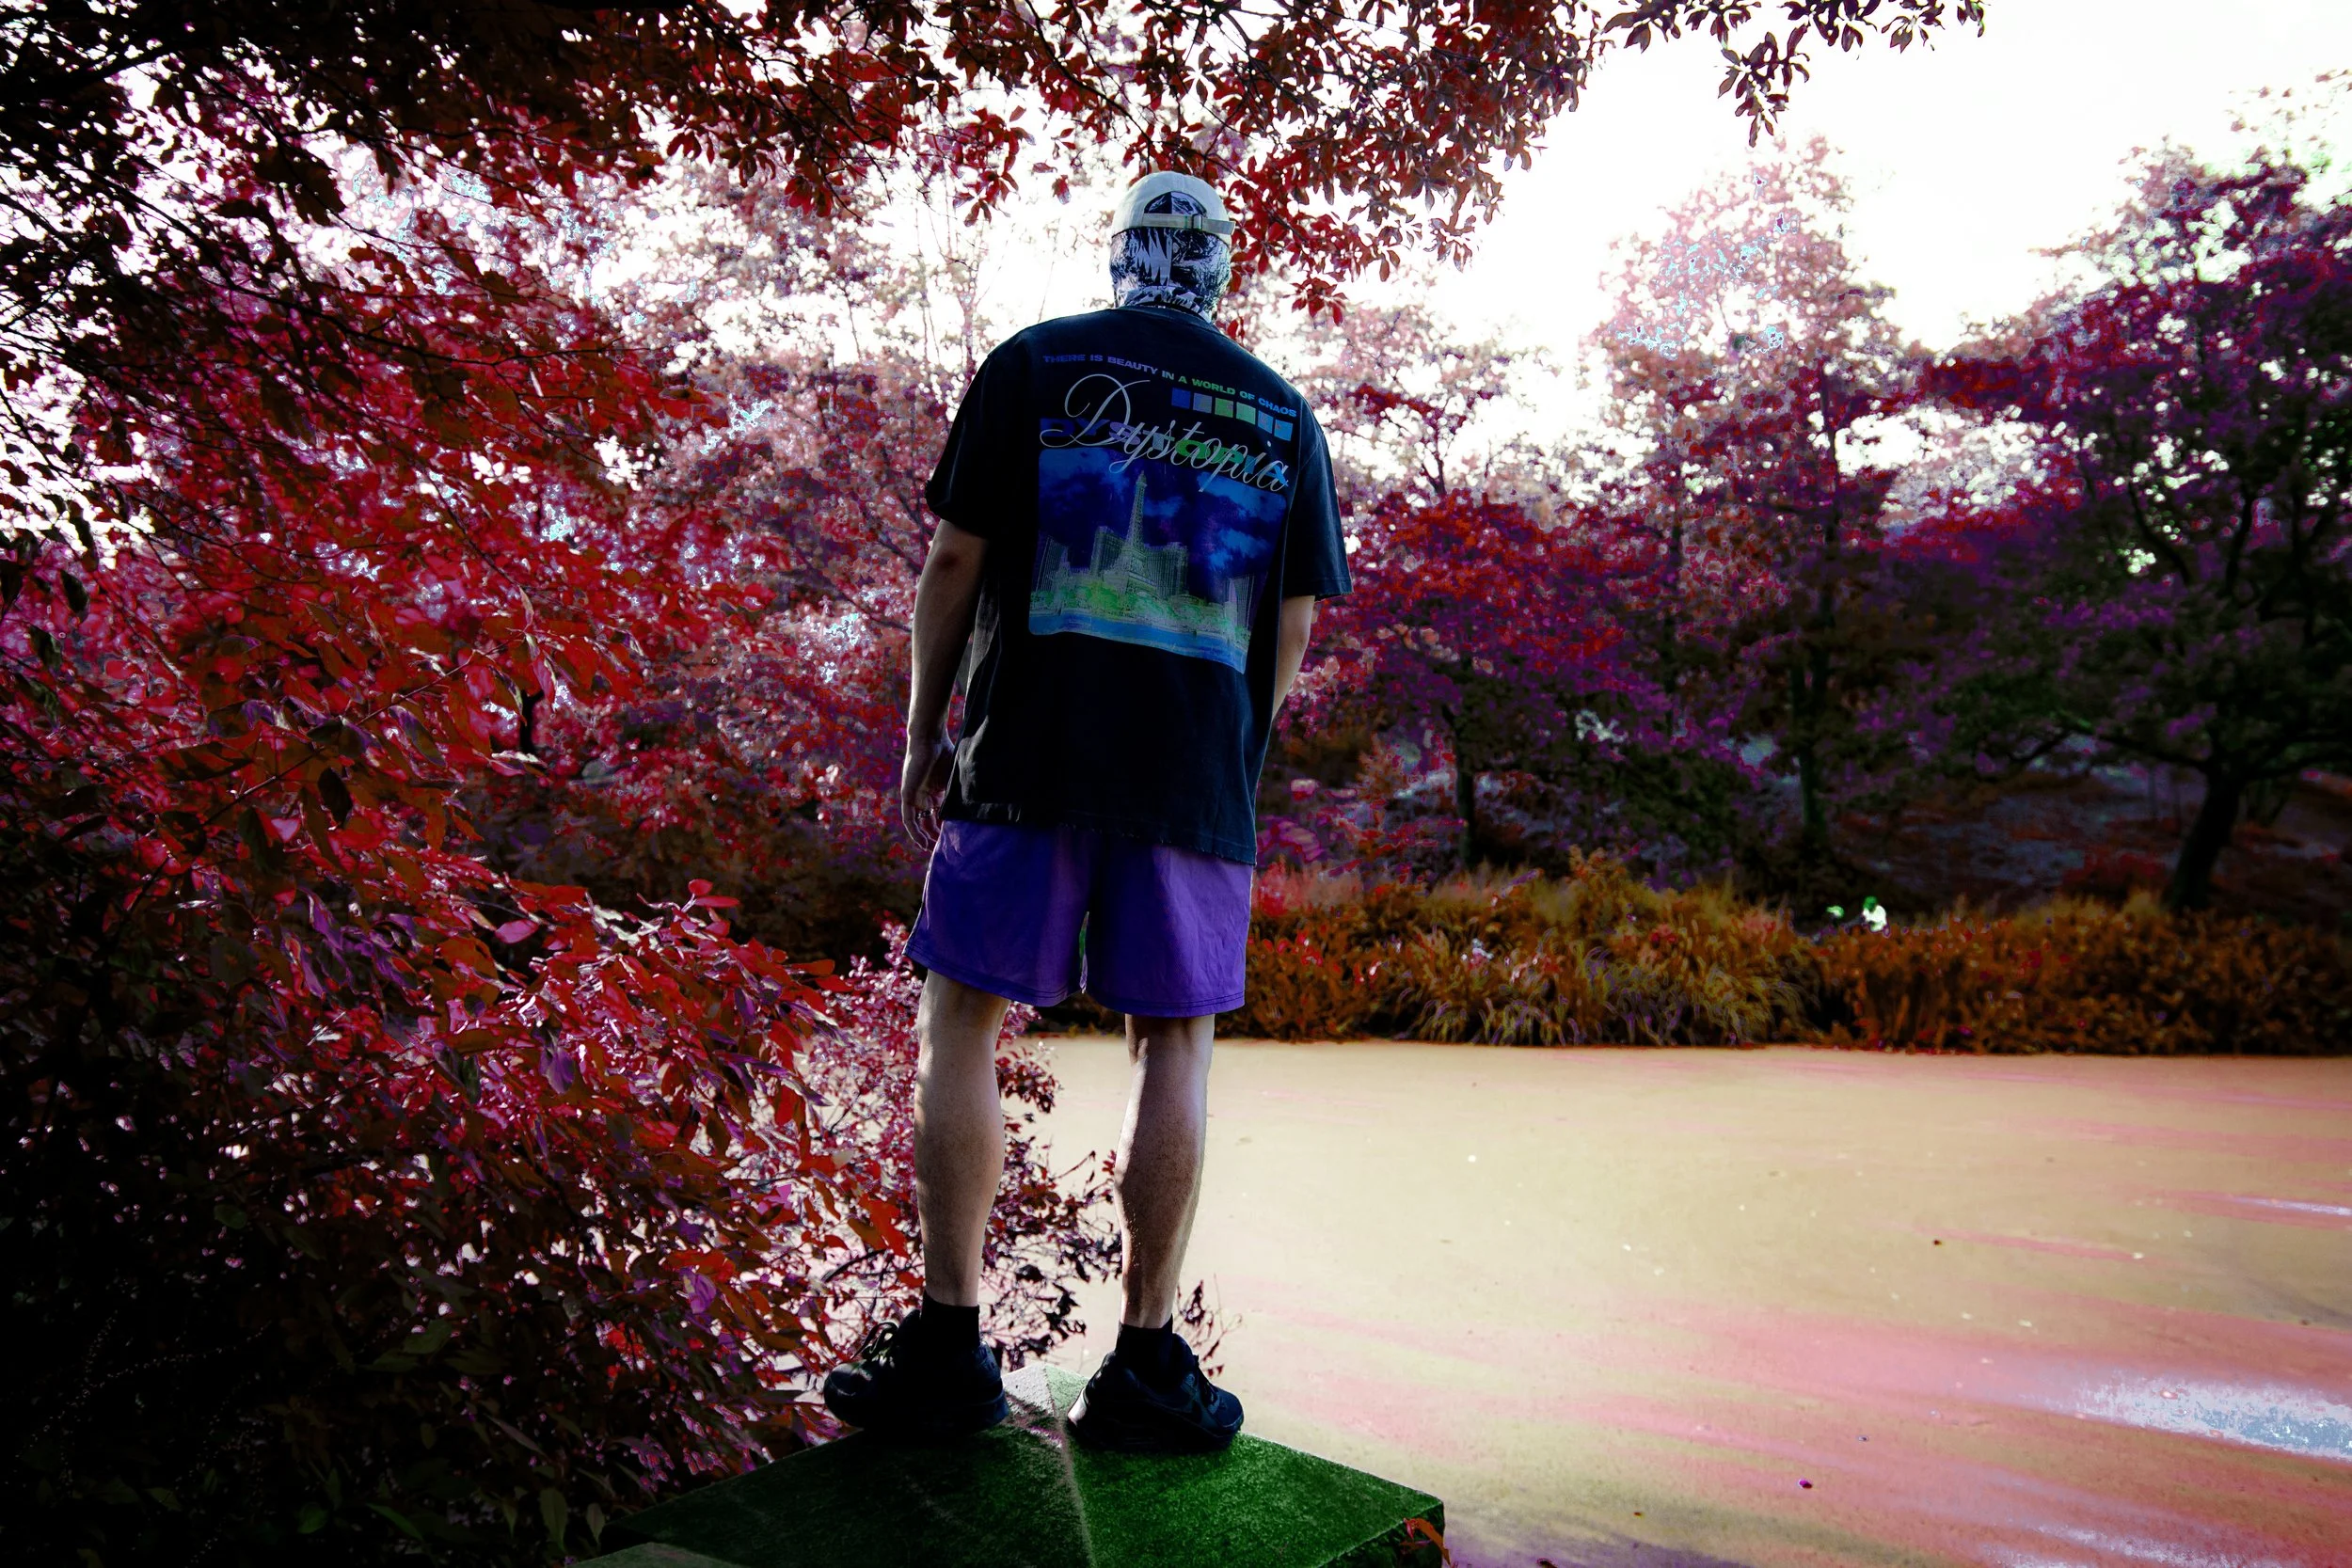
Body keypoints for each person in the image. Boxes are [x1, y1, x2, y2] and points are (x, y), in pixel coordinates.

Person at [818, 170, 1350, 1454]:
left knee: (960, 1021)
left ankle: (947, 1346)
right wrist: (1229, 750)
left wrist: (922, 730)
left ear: (1120, 259)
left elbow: (954, 560)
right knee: (1177, 1044)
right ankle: (1150, 1365)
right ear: (1220, 273)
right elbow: (1290, 624)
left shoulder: (1035, 367)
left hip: (1026, 757)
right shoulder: (1281, 416)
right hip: (1188, 783)